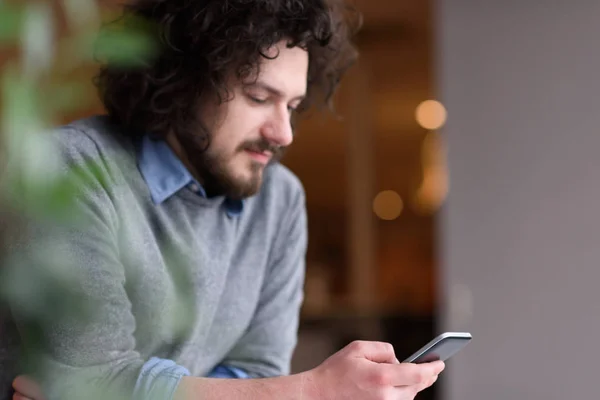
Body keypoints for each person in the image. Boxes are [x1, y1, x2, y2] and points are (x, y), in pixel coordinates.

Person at [1, 0, 445, 399]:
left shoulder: (280, 201)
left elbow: (258, 371)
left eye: (291, 106)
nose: (284, 133)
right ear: (183, 80)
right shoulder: (71, 168)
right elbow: (94, 378)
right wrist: (312, 391)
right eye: (258, 97)